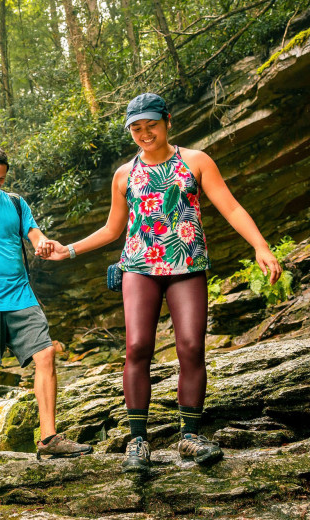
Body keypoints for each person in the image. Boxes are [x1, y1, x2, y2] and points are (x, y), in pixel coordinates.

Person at [38, 93, 282, 473]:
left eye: (151, 124)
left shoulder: (196, 162)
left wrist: (260, 246)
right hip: (138, 266)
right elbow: (112, 228)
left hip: (186, 264)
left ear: (167, 121)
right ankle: (138, 441)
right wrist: (67, 251)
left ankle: (190, 436)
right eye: (136, 128)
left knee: (189, 346)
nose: (144, 133)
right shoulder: (125, 174)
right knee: (137, 346)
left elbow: (230, 205)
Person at [0, 145, 93, 472]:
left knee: (46, 355)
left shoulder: (15, 203)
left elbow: (34, 233)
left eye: (2, 178)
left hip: (21, 296)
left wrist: (42, 242)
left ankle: (49, 438)